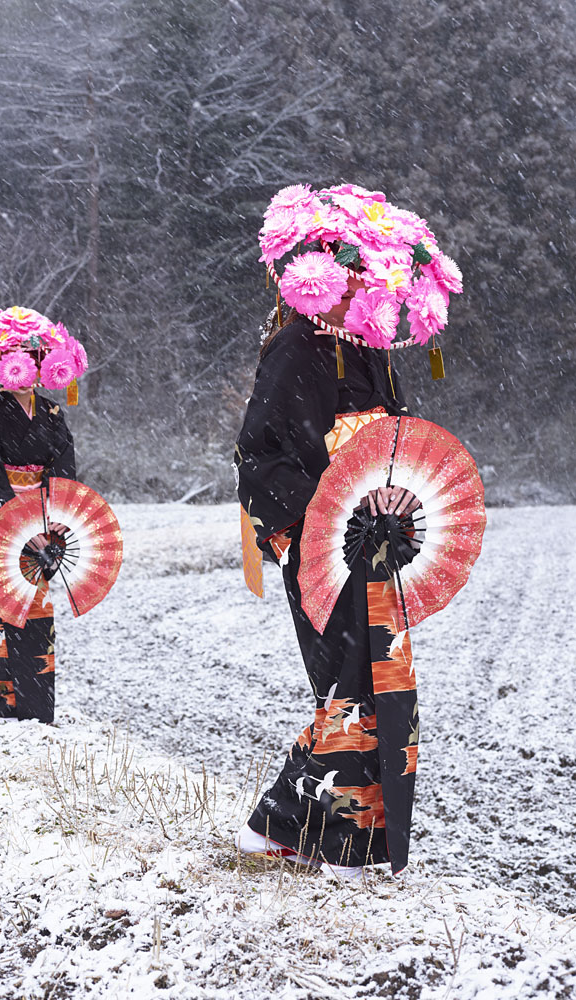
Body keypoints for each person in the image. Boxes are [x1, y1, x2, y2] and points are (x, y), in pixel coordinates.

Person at [233, 183, 463, 877]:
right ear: (317, 275)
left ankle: (279, 824)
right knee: (353, 688)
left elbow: (397, 443)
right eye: (351, 272)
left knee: (373, 684)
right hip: (320, 546)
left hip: (374, 545)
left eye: (369, 274)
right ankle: (345, 846)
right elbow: (259, 456)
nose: (363, 286)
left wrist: (399, 506)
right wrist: (321, 518)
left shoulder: (370, 352)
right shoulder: (295, 347)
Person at [0, 306, 87, 724]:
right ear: (0, 365)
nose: (27, 368)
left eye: (35, 359)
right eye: (16, 359)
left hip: (38, 527)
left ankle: (34, 705)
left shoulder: (53, 416)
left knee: (35, 610)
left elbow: (63, 472)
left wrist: (55, 523)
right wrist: (18, 524)